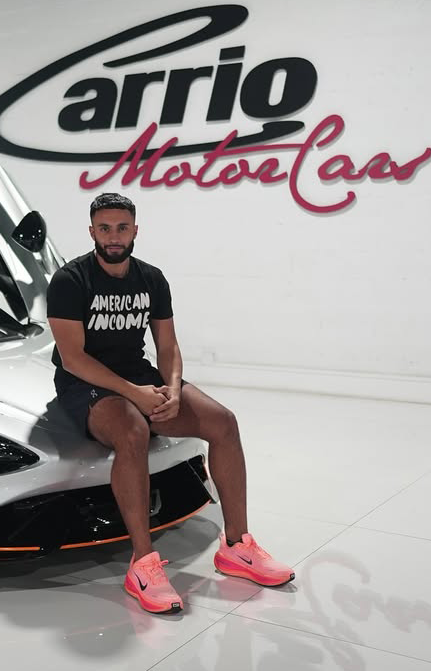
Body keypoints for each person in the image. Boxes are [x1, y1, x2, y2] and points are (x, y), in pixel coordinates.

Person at [47, 193, 294, 615]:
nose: (113, 237)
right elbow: (73, 359)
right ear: (91, 232)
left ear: (135, 230)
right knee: (132, 431)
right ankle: (143, 565)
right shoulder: (70, 281)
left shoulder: (151, 279)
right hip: (84, 384)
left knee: (223, 422)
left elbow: (167, 345)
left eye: (121, 228)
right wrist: (134, 393)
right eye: (104, 228)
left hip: (139, 375)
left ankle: (237, 547)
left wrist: (174, 389)